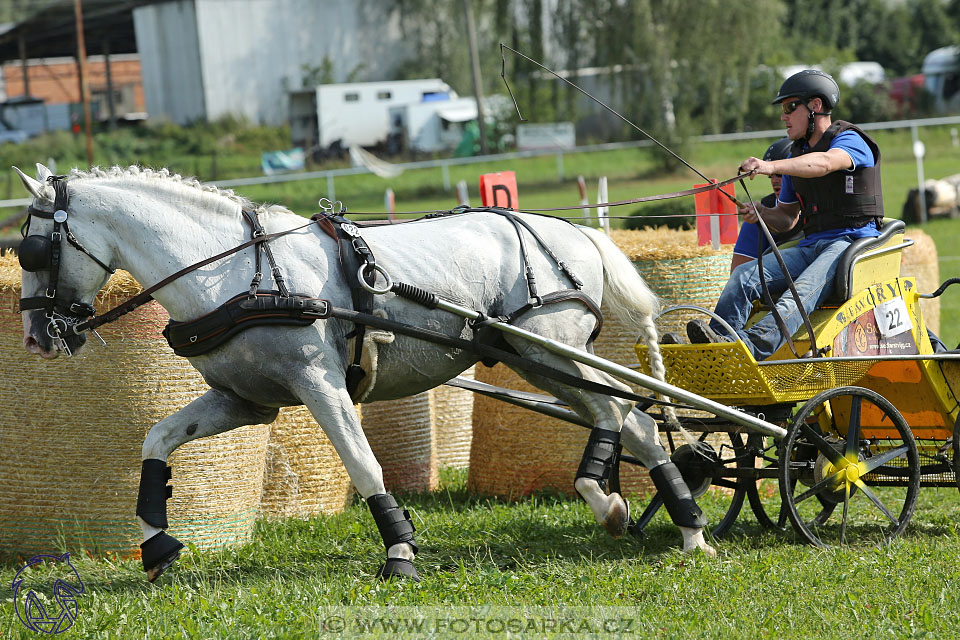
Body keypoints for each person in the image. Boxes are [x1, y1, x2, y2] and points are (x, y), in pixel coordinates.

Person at [686, 69, 884, 360]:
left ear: (815, 106)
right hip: (813, 246)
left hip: (850, 244)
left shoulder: (850, 140)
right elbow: (788, 218)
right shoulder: (794, 156)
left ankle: (748, 349)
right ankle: (717, 345)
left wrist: (772, 166)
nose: (784, 116)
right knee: (743, 277)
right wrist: (762, 214)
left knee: (799, 293)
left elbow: (826, 163)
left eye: (790, 107)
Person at [729, 137, 801, 272]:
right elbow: (739, 274)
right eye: (770, 176)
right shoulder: (759, 214)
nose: (774, 181)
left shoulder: (818, 206)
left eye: (780, 175)